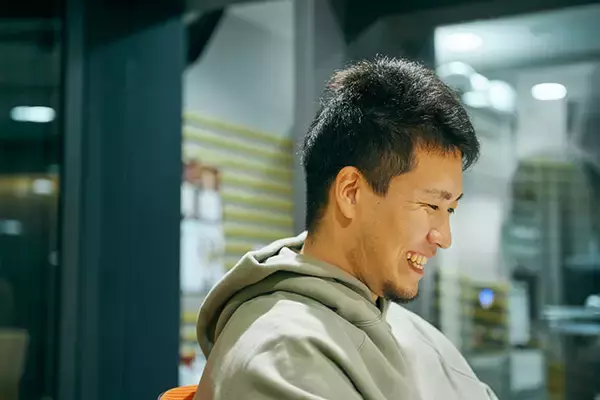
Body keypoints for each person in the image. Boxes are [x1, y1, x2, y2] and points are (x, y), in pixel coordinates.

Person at [194, 57, 498, 400]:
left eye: (450, 209)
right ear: (351, 192)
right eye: (430, 206)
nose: (443, 237)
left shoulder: (417, 334)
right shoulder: (280, 355)